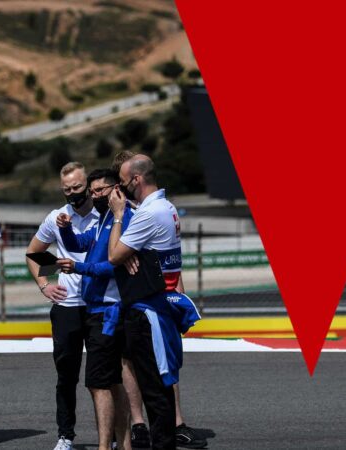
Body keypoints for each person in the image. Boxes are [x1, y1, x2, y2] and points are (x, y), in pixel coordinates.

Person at [107, 155, 203, 450]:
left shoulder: (147, 215)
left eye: (123, 180)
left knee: (154, 391)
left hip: (148, 313)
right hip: (163, 306)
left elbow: (113, 255)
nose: (119, 188)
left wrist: (119, 215)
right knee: (160, 386)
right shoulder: (166, 207)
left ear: (136, 179)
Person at [55, 168, 134, 450]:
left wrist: (79, 267)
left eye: (100, 190)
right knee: (111, 381)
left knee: (98, 382)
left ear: (116, 190)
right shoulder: (103, 220)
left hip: (109, 311)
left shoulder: (124, 221)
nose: (95, 195)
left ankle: (104, 446)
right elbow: (78, 244)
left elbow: (112, 266)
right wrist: (65, 228)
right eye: (94, 191)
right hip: (97, 309)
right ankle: (123, 444)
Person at [25, 162, 100, 450]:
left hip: (99, 304)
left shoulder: (104, 215)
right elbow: (33, 253)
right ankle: (65, 435)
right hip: (66, 305)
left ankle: (113, 435)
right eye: (67, 189)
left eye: (78, 188)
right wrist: (44, 285)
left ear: (89, 186)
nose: (72, 193)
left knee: (103, 376)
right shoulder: (56, 217)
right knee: (66, 375)